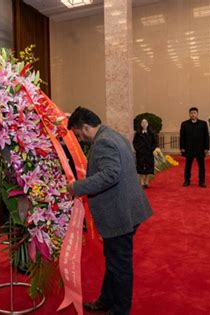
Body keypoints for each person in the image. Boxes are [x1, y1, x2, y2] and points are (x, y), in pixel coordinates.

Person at [66, 107, 153, 315]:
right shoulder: (114, 135)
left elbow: (111, 174)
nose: (80, 138)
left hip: (120, 213)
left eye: (78, 134)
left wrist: (77, 187)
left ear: (85, 127)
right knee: (114, 259)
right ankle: (106, 299)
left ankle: (120, 310)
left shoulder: (103, 142)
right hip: (129, 208)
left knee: (120, 266)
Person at [179, 107, 209, 187]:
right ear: (189, 114)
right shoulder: (184, 124)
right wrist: (182, 147)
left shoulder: (203, 123)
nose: (193, 114)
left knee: (201, 166)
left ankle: (202, 181)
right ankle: (187, 181)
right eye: (191, 113)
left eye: (194, 113)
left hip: (200, 149)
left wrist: (206, 148)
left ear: (197, 114)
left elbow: (206, 136)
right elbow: (182, 137)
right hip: (189, 148)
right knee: (188, 166)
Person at [132, 118, 158, 188]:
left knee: (148, 167)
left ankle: (146, 182)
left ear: (147, 124)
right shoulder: (138, 133)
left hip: (149, 153)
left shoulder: (151, 133)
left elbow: (155, 143)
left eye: (145, 122)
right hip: (140, 153)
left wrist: (151, 149)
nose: (144, 124)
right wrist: (138, 149)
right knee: (140, 167)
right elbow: (134, 142)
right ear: (141, 124)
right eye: (142, 122)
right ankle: (142, 182)